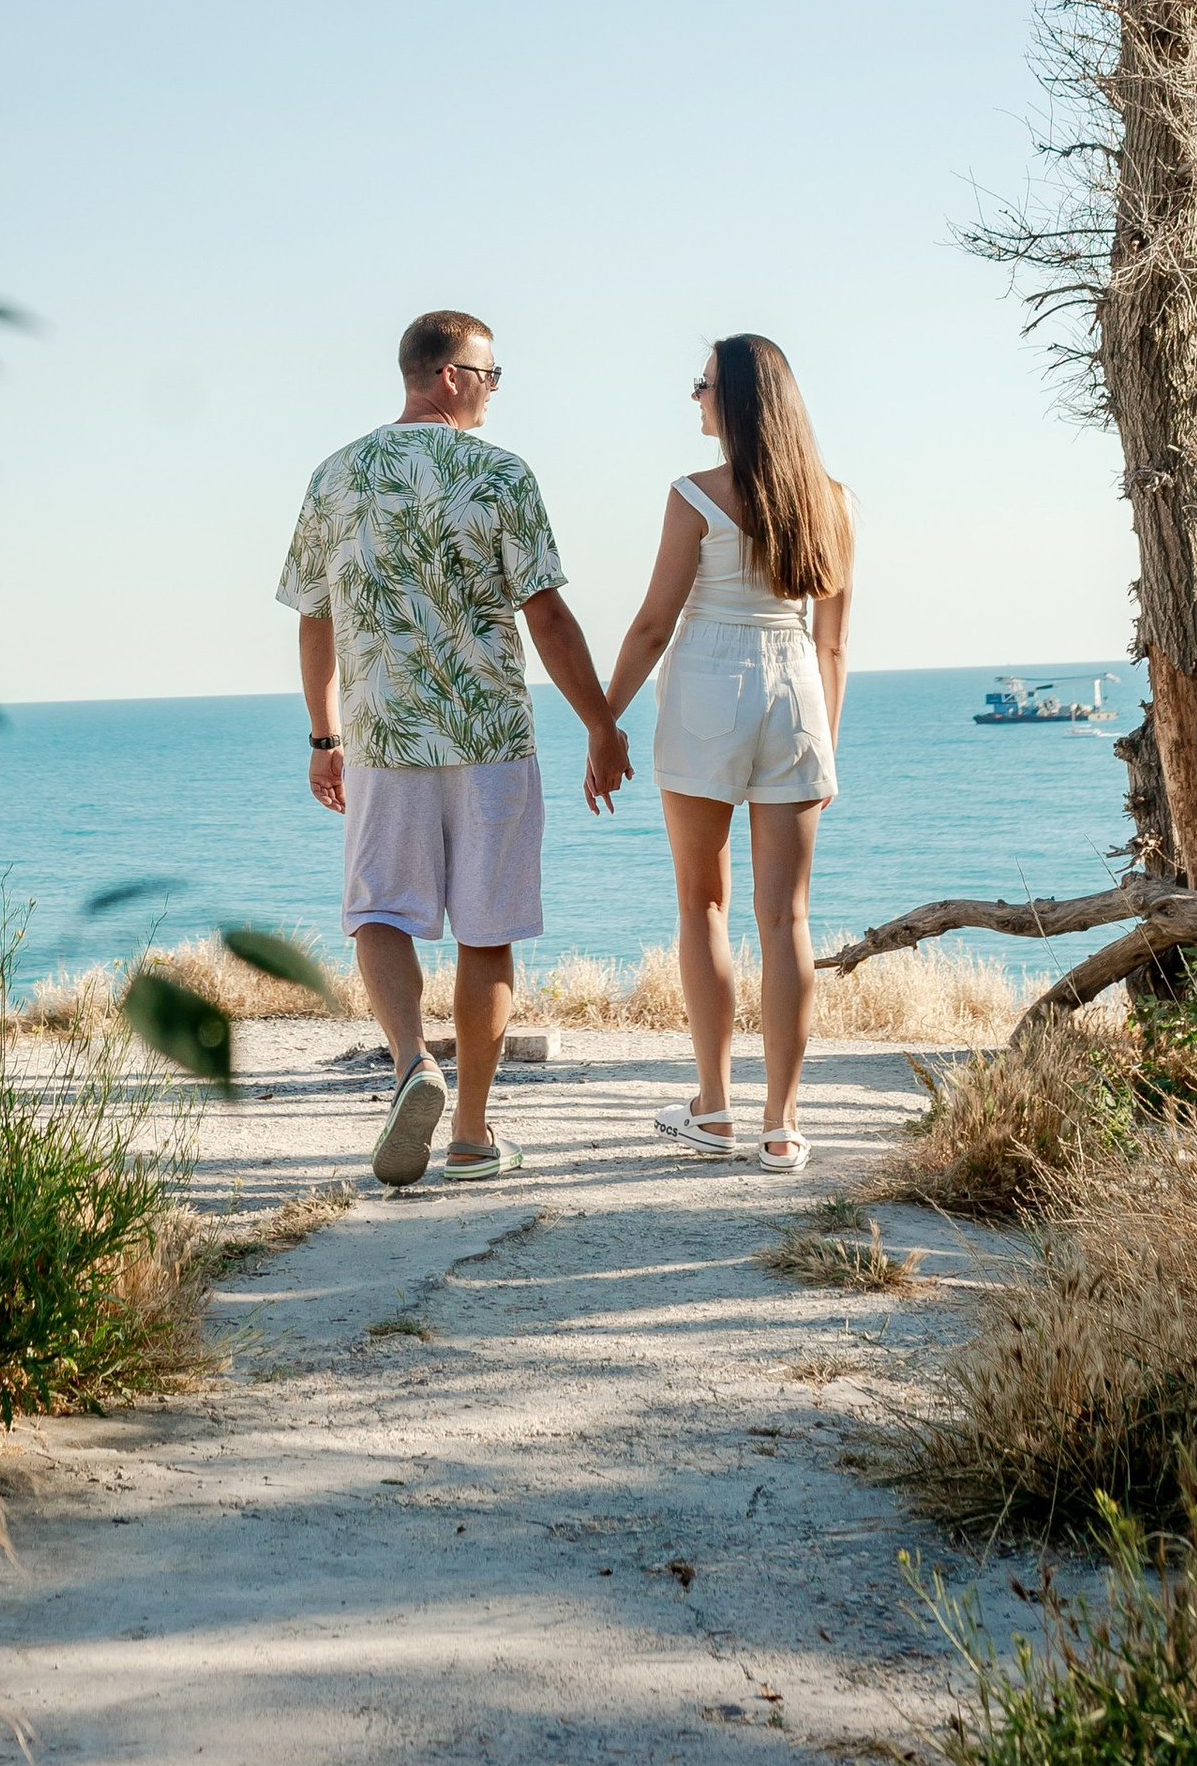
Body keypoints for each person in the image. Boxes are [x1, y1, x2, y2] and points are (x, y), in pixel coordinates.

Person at [281, 309, 631, 1187]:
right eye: (489, 374)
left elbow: (314, 616)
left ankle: (411, 1066)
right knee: (488, 928)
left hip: (384, 738)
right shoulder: (502, 474)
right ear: (449, 376)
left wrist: (326, 735)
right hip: (489, 738)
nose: (492, 389)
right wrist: (600, 721)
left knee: (380, 912)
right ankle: (472, 1134)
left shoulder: (334, 474)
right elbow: (544, 613)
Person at [597, 334, 853, 1172]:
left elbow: (651, 624)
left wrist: (604, 721)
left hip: (709, 686)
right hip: (797, 699)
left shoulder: (693, 495)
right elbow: (835, 645)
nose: (695, 399)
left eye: (701, 386)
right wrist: (826, 753)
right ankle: (782, 1124)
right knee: (787, 920)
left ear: (733, 399)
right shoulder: (833, 501)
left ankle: (713, 1108)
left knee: (703, 906)